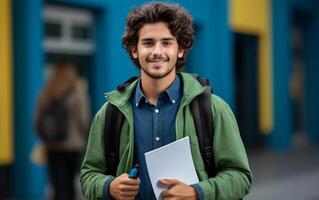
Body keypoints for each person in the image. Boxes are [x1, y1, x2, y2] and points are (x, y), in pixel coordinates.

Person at [80, 2, 252, 200]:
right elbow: (88, 176)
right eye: (148, 43)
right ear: (134, 50)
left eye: (167, 42)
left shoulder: (213, 109)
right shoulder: (110, 113)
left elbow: (241, 177)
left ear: (180, 50)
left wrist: (198, 193)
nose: (157, 51)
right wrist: (108, 187)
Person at [34, 61, 91, 200]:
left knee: (57, 182)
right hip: (73, 145)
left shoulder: (46, 92)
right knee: (70, 181)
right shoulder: (77, 93)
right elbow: (84, 120)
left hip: (52, 145)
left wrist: (46, 137)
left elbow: (37, 121)